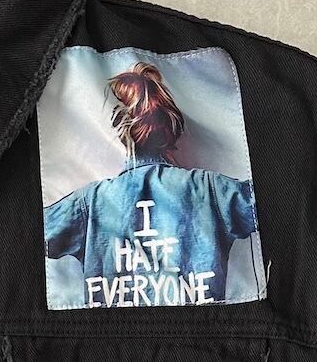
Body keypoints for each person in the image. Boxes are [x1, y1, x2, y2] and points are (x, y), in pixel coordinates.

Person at [44, 61, 261, 307]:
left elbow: (24, 233)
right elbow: (281, 201)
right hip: (203, 331)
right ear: (171, 127)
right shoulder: (211, 192)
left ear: (121, 127)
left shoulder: (90, 204)